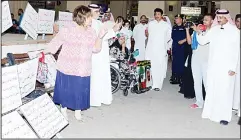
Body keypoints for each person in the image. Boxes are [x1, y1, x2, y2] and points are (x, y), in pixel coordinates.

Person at [42, 5, 108, 121]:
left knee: (79, 90)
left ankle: (78, 111)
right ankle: (63, 109)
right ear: (82, 17)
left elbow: (96, 49)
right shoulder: (67, 30)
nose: (91, 19)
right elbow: (55, 43)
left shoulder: (91, 32)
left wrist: (100, 37)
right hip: (67, 66)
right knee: (66, 90)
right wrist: (43, 52)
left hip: (83, 68)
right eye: (89, 17)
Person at [195, 9, 240, 125]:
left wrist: (233, 68)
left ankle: (224, 116)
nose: (219, 19)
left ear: (227, 18)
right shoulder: (214, 30)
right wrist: (198, 32)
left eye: (221, 17)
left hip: (226, 66)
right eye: (218, 17)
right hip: (213, 65)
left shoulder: (234, 31)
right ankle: (209, 112)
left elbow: (236, 51)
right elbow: (203, 41)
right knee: (212, 88)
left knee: (225, 90)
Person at [88, 4, 122, 107]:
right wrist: (114, 30)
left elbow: (104, 36)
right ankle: (94, 100)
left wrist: (113, 31)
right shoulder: (90, 23)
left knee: (102, 75)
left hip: (102, 54)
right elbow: (99, 36)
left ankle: (102, 97)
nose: (99, 13)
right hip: (95, 55)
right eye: (96, 12)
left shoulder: (98, 22)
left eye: (99, 11)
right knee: (96, 77)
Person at [186, 14, 214, 108]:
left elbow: (203, 41)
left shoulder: (212, 32)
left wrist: (197, 31)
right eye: (204, 20)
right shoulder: (199, 30)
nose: (204, 21)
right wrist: (187, 29)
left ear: (212, 21)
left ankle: (209, 103)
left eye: (207, 20)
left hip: (206, 60)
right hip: (195, 58)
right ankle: (199, 102)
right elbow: (190, 42)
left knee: (206, 82)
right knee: (196, 81)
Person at [145, 8, 172, 91]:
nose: (157, 16)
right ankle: (148, 84)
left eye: (158, 14)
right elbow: (148, 35)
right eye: (155, 14)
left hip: (161, 49)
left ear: (161, 15)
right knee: (149, 65)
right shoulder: (150, 24)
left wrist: (164, 45)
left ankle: (157, 85)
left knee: (159, 66)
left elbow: (168, 37)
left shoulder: (166, 25)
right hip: (150, 48)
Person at [170, 14, 187, 85]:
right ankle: (175, 77)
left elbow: (189, 36)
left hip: (182, 48)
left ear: (181, 20)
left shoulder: (185, 27)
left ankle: (181, 78)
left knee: (181, 63)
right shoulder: (174, 27)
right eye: (175, 18)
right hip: (175, 47)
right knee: (175, 62)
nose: (176, 19)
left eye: (177, 18)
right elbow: (172, 37)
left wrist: (183, 40)